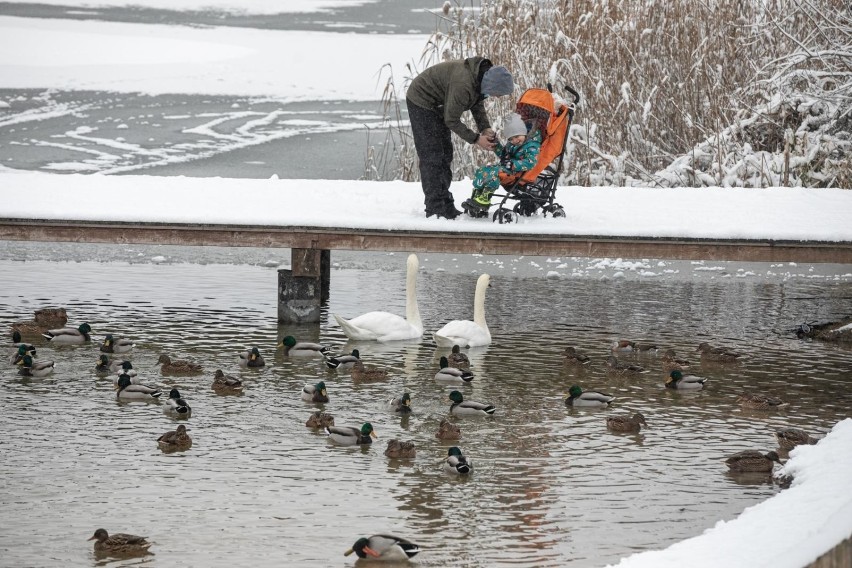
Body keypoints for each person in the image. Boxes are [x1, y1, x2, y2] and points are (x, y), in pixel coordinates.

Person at [405, 57, 514, 219]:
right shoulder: (463, 84)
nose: (497, 97)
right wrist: (476, 139)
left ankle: (445, 204)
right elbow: (451, 120)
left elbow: (476, 103)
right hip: (422, 101)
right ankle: (435, 208)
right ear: (491, 85)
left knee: (445, 154)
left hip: (440, 103)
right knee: (432, 156)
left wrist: (485, 128)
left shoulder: (480, 78)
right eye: (498, 93)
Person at [462, 112, 541, 213]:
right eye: (511, 139)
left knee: (494, 172)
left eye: (517, 136)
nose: (515, 140)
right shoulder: (513, 145)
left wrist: (513, 164)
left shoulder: (532, 146)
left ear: (524, 132)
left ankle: (484, 199)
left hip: (518, 173)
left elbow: (531, 162)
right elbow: (504, 155)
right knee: (483, 170)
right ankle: (477, 195)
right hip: (509, 169)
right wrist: (496, 145)